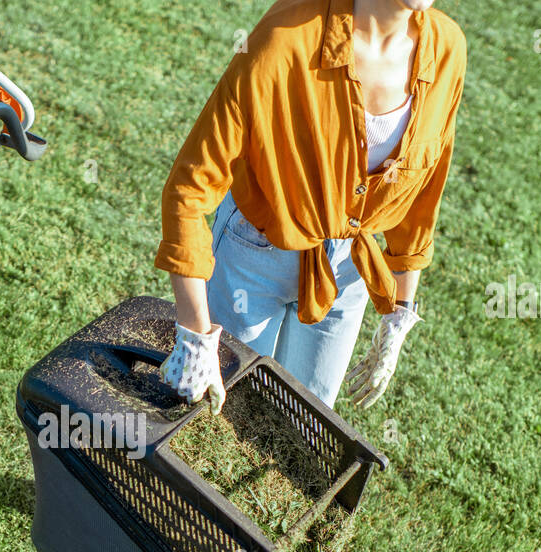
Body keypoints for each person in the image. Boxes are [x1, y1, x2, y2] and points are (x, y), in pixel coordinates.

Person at [156, 0, 466, 413]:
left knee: (306, 420)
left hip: (348, 271)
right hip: (257, 249)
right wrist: (195, 335)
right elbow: (190, 186)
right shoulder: (283, 40)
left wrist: (399, 315)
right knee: (223, 414)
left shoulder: (447, 49)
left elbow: (424, 191)